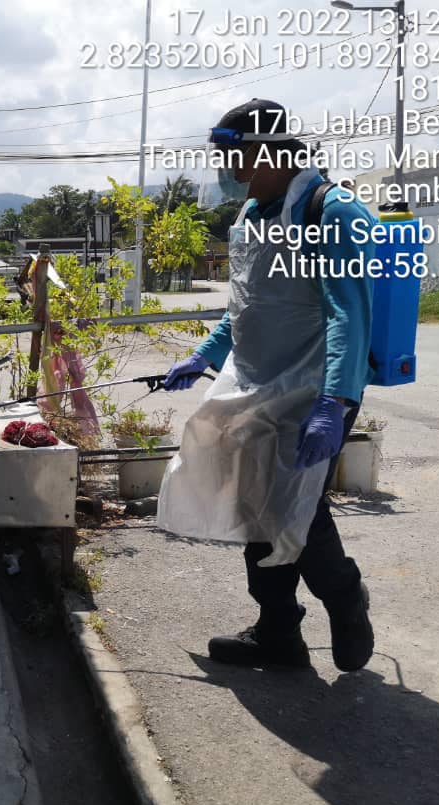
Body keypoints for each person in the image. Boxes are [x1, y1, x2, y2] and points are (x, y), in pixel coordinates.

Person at [158, 99, 376, 672]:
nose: (229, 170)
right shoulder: (253, 214)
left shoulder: (332, 210)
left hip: (314, 387)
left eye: (234, 156)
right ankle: (278, 632)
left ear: (264, 150)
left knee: (298, 505)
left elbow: (348, 312)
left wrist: (336, 400)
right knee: (255, 503)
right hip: (256, 383)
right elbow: (244, 304)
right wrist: (204, 355)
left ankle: (345, 597)